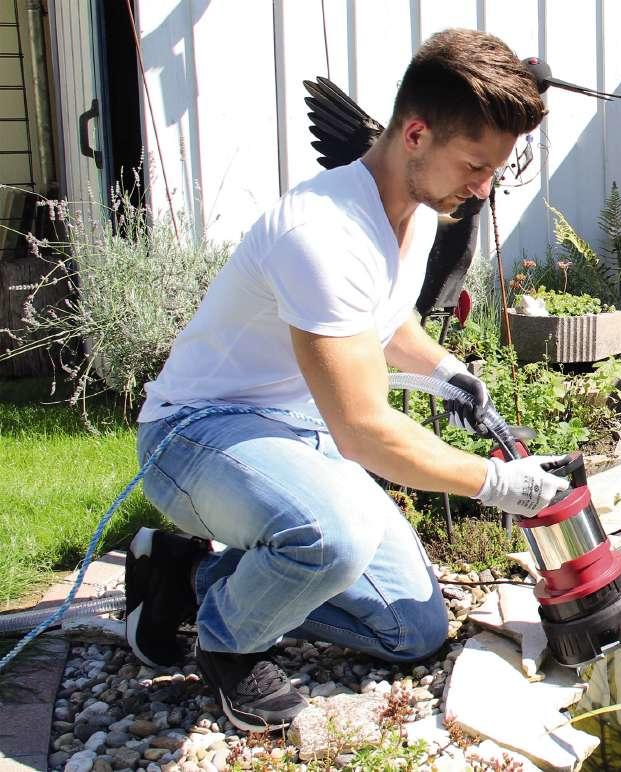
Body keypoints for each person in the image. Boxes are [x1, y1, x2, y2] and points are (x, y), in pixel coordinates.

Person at [127, 28, 568, 733]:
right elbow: (363, 429)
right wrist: (498, 484)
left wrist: (452, 374)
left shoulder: (417, 209)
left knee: (413, 629)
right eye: (476, 165)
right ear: (416, 134)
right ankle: (228, 642)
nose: (482, 187)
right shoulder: (321, 232)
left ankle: (184, 577)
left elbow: (387, 324)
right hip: (198, 435)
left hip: (298, 435)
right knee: (330, 536)